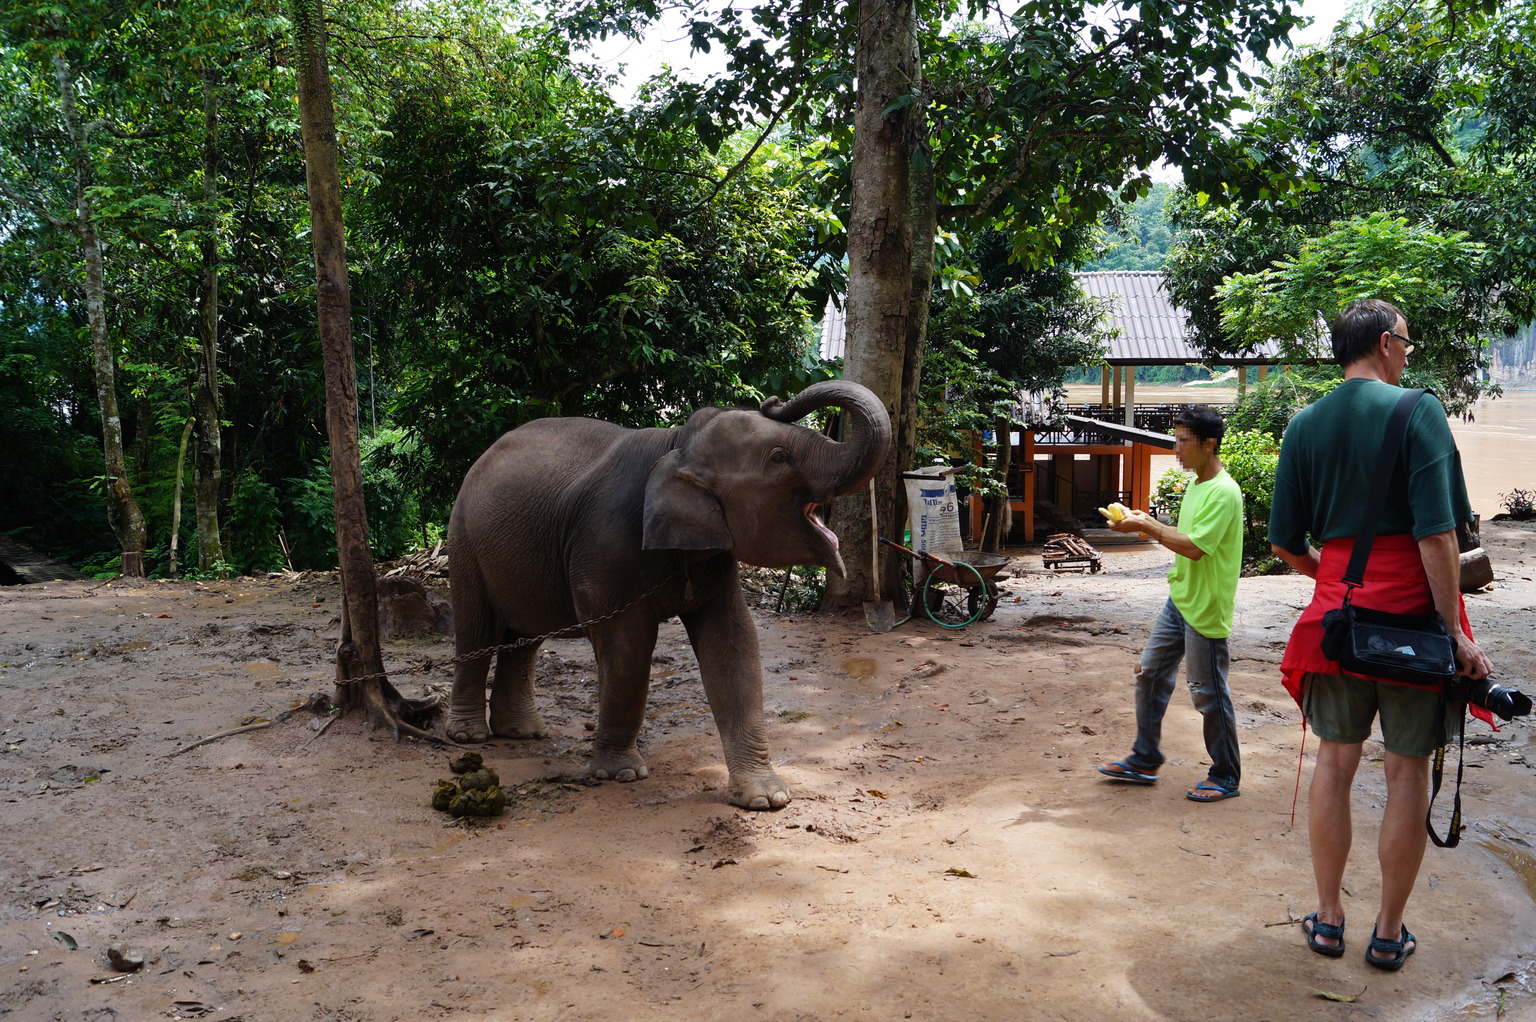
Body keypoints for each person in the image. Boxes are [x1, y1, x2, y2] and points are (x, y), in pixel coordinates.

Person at [1268, 298, 1494, 972]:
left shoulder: (1305, 424)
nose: (1409, 353)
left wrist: (1340, 583)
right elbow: (1437, 536)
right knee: (1406, 772)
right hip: (1413, 629)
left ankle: (1328, 918)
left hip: (1339, 627)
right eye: (1408, 342)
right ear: (1388, 344)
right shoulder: (1417, 411)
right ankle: (1389, 932)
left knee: (1335, 764)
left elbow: (1285, 543)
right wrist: (1454, 635)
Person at [1097, 404, 1244, 803]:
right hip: (1180, 599)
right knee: (1149, 674)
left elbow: (1195, 548)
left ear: (1208, 444)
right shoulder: (1197, 485)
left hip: (1206, 606)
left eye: (1183, 442)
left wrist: (1149, 527)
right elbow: (1188, 534)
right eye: (1175, 441)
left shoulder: (1224, 491)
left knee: (1208, 692)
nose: (1176, 449)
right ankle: (1145, 759)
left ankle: (1226, 774)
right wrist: (1148, 521)